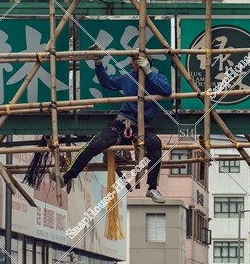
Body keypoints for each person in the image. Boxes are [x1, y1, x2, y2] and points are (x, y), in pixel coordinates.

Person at [61, 49, 171, 202]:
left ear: (144, 62)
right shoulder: (128, 78)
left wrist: (148, 72)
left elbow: (167, 90)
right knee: (95, 144)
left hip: (142, 126)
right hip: (122, 123)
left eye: (134, 59)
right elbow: (108, 83)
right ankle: (66, 176)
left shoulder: (157, 79)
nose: (131, 62)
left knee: (155, 144)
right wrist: (98, 63)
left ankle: (152, 188)